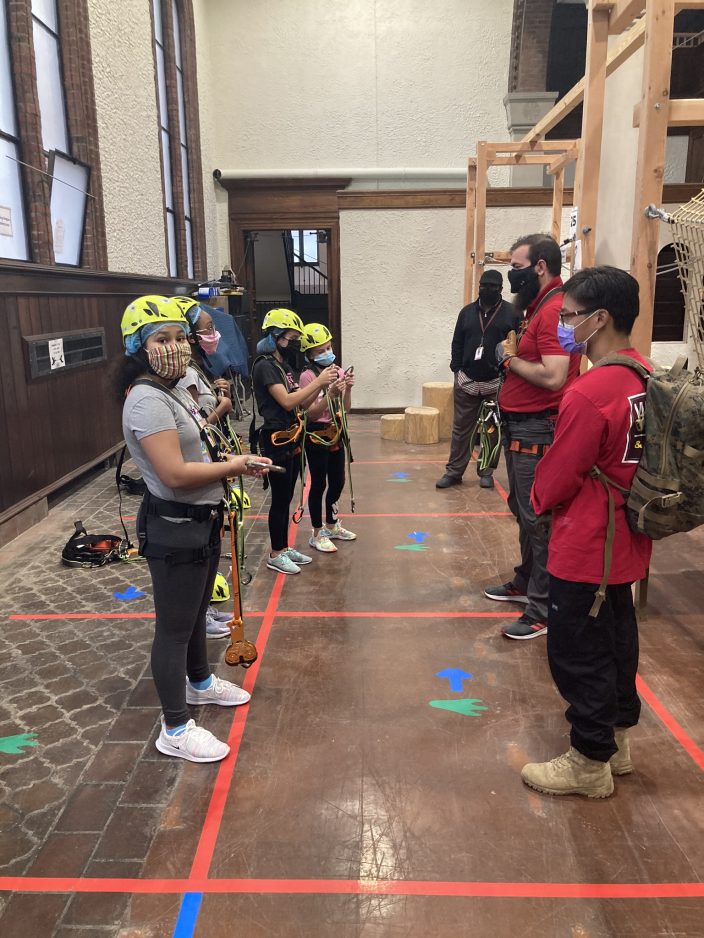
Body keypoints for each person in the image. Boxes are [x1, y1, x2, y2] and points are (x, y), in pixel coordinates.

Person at [119, 295, 271, 764]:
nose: (176, 347)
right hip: (173, 527)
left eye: (179, 337)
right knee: (174, 629)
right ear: (139, 348)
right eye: (161, 339)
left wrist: (226, 459)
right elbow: (174, 473)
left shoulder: (176, 390)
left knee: (197, 611)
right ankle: (175, 727)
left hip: (201, 519)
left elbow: (198, 445)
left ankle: (200, 682)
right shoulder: (147, 401)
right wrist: (235, 467)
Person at [520, 266, 652, 798]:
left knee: (578, 651)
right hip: (627, 539)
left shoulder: (590, 391)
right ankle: (617, 742)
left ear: (599, 319)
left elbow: (557, 478)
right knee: (617, 640)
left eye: (570, 316)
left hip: (587, 542)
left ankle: (588, 761)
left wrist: (535, 498)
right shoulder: (645, 375)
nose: (564, 326)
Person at [484, 234, 581, 640]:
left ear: (540, 267)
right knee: (524, 511)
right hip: (522, 425)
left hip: (537, 427)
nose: (512, 275)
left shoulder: (554, 309)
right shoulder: (539, 307)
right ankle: (527, 581)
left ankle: (541, 609)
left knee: (537, 518)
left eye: (517, 267)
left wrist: (509, 360)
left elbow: (554, 376)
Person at [250, 308, 338, 575]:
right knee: (279, 498)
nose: (292, 344)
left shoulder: (284, 367)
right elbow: (287, 401)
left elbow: (302, 403)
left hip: (292, 435)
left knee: (288, 496)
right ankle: (275, 553)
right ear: (275, 336)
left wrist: (328, 390)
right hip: (275, 438)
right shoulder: (265, 366)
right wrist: (319, 381)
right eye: (289, 338)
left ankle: (284, 547)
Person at [436, 270, 518, 491]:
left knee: (492, 429)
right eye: (484, 286)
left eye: (493, 287)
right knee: (461, 430)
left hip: (496, 383)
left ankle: (486, 472)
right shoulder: (466, 313)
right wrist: (456, 370)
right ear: (479, 286)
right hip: (467, 381)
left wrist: (508, 375)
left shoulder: (512, 313)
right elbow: (457, 343)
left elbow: (517, 345)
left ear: (501, 289)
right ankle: (454, 472)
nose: (487, 290)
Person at [298, 323, 356, 552]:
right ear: (310, 355)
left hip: (336, 431)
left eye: (328, 348)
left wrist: (347, 389)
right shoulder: (308, 377)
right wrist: (328, 394)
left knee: (338, 480)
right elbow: (311, 413)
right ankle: (316, 532)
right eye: (320, 351)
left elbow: (346, 408)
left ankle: (332, 525)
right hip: (316, 433)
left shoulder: (338, 371)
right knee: (319, 483)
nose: (326, 353)